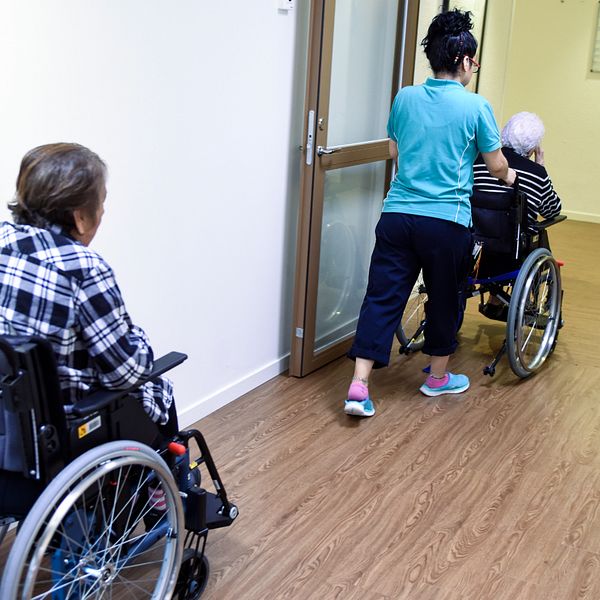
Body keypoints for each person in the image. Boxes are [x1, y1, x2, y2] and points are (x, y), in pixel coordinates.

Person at [344, 9, 516, 418]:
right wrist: (511, 176)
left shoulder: (405, 97)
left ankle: (359, 385)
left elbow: (395, 151)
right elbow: (495, 165)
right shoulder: (476, 106)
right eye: (474, 61)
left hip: (397, 216)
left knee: (382, 297)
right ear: (464, 61)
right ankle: (437, 378)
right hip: (446, 222)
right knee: (445, 298)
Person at [0, 142, 178, 437]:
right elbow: (126, 373)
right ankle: (168, 464)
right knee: (159, 389)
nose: (104, 211)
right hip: (70, 425)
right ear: (80, 216)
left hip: (12, 420)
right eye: (102, 202)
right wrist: (140, 339)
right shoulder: (82, 268)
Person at [472, 111, 562, 320]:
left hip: (472, 247)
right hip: (508, 253)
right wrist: (541, 167)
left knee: (496, 226)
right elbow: (552, 210)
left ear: (503, 136)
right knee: (528, 231)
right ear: (532, 148)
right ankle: (506, 300)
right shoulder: (536, 173)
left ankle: (494, 300)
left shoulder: (477, 161)